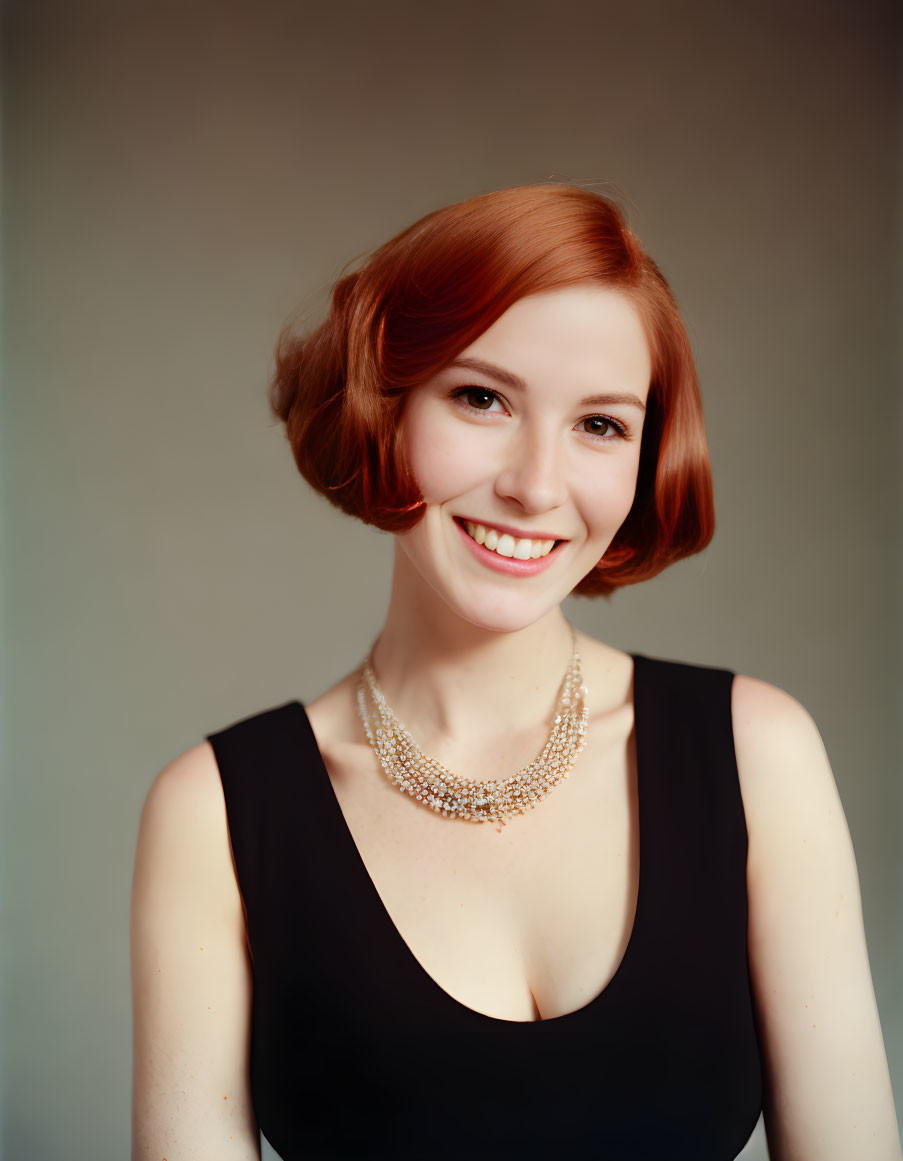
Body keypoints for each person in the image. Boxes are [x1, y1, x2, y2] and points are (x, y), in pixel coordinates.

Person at [130, 184, 901, 1160]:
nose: (536, 486)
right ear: (384, 404)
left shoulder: (759, 756)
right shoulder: (213, 812)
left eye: (601, 425)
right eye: (481, 398)